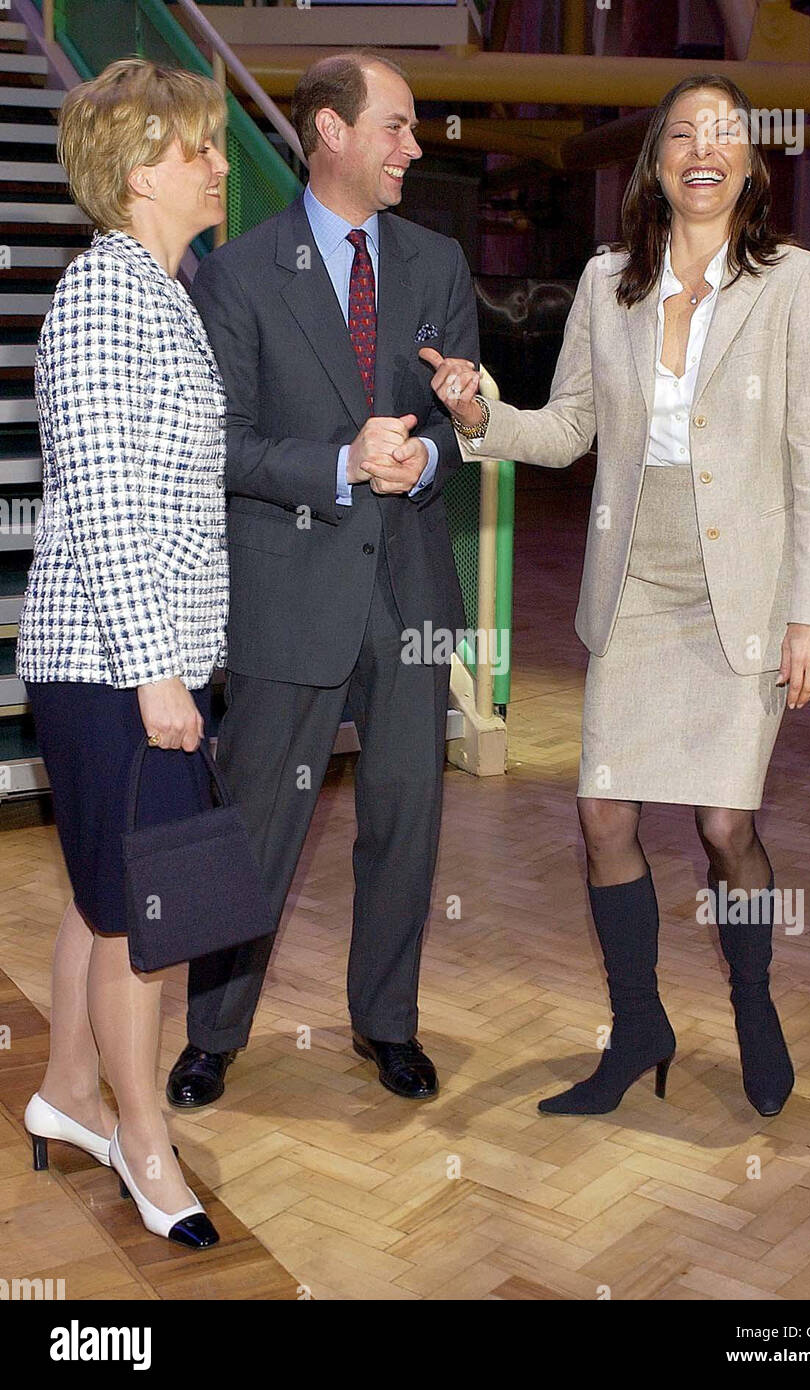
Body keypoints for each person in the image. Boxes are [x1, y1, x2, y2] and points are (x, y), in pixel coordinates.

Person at [421, 74, 810, 1118]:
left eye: (725, 135)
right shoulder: (607, 280)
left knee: (718, 824)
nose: (702, 150)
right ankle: (638, 1026)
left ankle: (751, 1001)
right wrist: (481, 412)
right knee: (602, 810)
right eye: (681, 134)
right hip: (635, 583)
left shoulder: (794, 280)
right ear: (652, 161)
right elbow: (568, 430)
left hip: (741, 587)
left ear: (751, 161)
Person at [166, 50, 479, 1108]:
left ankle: (386, 1023)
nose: (414, 145)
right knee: (255, 824)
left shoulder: (438, 263)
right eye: (395, 125)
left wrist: (428, 453)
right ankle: (213, 1032)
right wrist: (343, 462)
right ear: (331, 133)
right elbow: (227, 447)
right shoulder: (239, 273)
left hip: (410, 597)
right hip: (285, 591)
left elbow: (455, 418)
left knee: (404, 819)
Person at [17, 58, 230, 1245]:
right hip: (112, 663)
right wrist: (157, 672)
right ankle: (145, 1146)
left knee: (106, 904)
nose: (216, 165)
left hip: (130, 655)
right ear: (145, 168)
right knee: (150, 926)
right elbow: (99, 502)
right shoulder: (107, 295)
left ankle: (68, 1092)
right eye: (199, 146)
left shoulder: (158, 285)